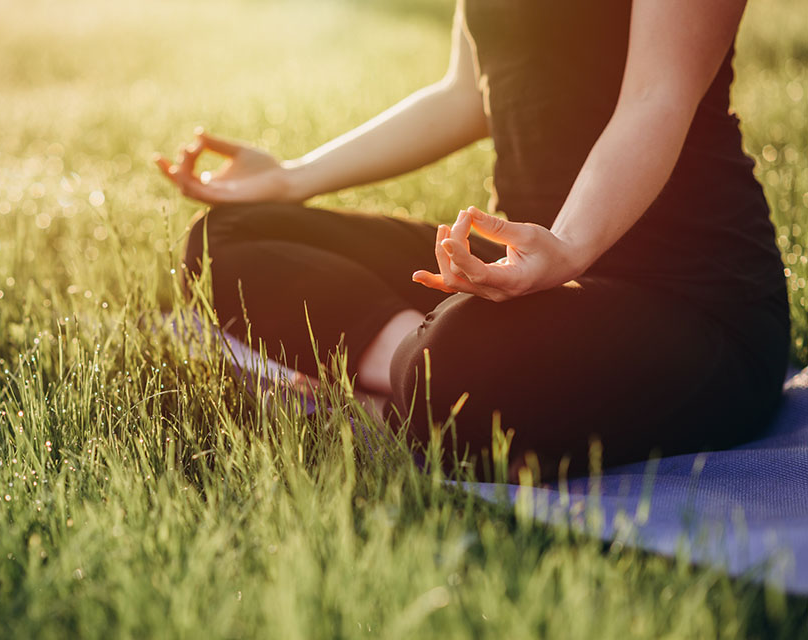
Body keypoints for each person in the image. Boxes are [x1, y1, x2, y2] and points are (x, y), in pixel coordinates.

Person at [157, 0, 790, 479]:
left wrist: (567, 245)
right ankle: (408, 376)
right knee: (223, 239)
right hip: (519, 272)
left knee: (460, 360)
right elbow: (467, 96)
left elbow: (659, 94)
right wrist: (293, 177)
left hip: (693, 303)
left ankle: (400, 383)